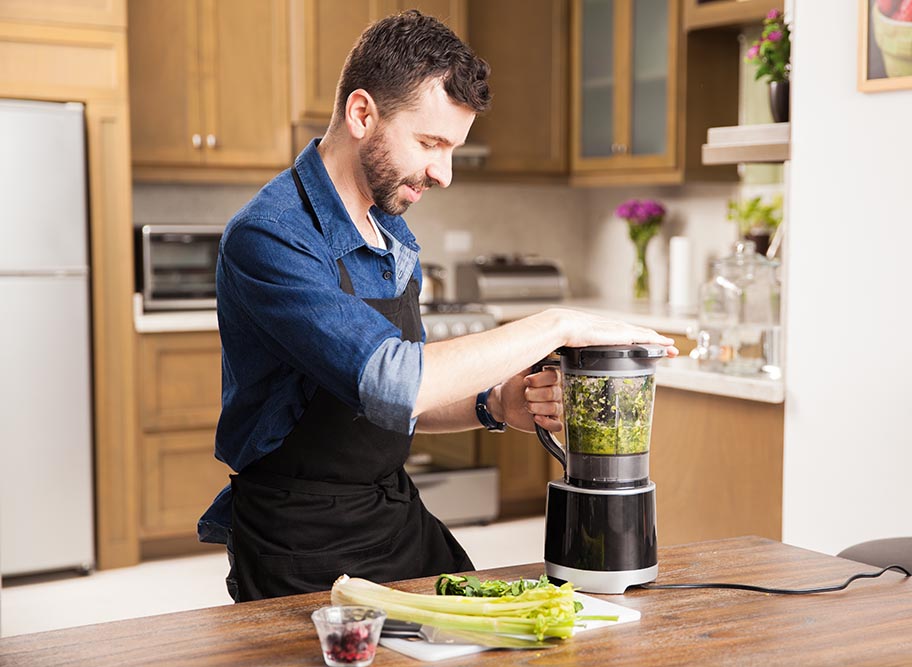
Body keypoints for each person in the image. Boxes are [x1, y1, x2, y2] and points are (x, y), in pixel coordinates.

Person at [197, 10, 678, 602]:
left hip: (391, 514)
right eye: (431, 143)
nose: (443, 173)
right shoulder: (270, 236)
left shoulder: (391, 231)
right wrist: (560, 322)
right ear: (362, 113)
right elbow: (392, 381)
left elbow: (405, 403)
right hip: (298, 539)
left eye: (452, 149)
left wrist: (498, 404)